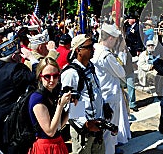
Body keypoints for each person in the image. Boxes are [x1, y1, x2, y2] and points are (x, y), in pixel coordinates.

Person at [0, 34, 38, 153]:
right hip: (10, 124)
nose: (21, 57)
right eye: (19, 54)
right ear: (14, 56)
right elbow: (35, 77)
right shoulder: (16, 70)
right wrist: (32, 59)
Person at [60, 34, 106, 153]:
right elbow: (69, 103)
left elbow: (95, 92)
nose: (93, 49)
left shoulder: (90, 67)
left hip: (97, 125)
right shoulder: (71, 73)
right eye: (89, 47)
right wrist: (85, 124)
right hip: (83, 130)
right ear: (78, 50)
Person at [92, 23, 131, 154]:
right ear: (110, 38)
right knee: (109, 132)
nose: (115, 42)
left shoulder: (97, 51)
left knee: (108, 131)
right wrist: (120, 52)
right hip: (109, 96)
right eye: (115, 39)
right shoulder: (106, 55)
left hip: (104, 94)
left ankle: (111, 149)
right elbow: (121, 72)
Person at [28, 57, 70, 154]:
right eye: (47, 76)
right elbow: (50, 131)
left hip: (58, 143)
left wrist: (72, 108)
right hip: (45, 147)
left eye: (55, 76)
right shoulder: (37, 98)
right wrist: (60, 105)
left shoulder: (52, 94)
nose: (52, 80)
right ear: (40, 77)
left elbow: (58, 126)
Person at [124, 13, 143, 112]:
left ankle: (132, 102)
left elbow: (139, 39)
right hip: (122, 55)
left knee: (130, 79)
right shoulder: (126, 27)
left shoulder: (137, 27)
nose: (128, 20)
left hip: (132, 53)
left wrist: (138, 50)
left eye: (130, 18)